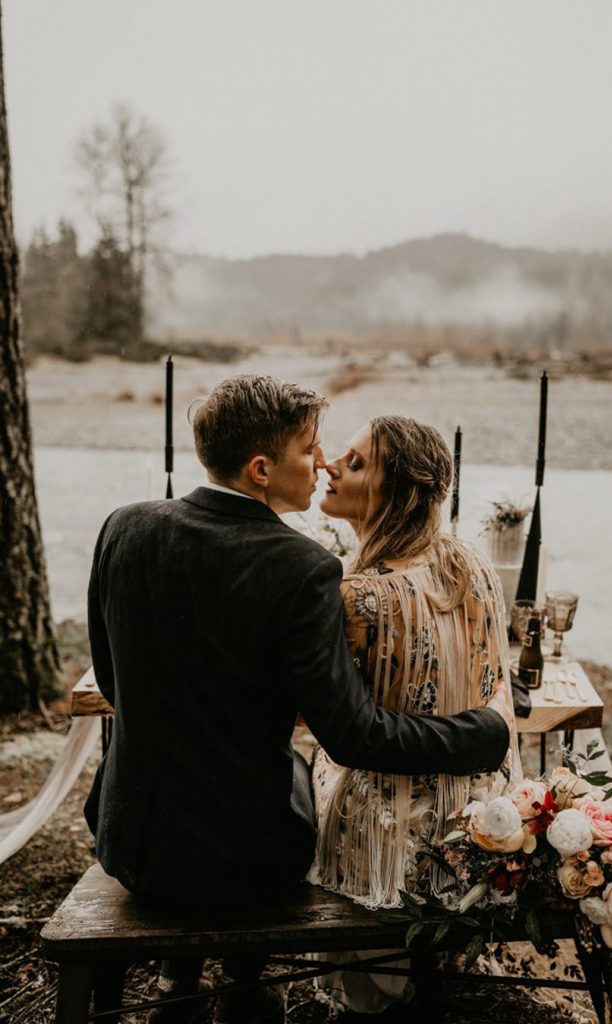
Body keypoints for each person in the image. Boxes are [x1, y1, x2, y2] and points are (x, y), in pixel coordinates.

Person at [84, 376, 511, 1023]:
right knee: (292, 778)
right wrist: (484, 731)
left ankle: (183, 986)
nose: (321, 463)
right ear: (261, 469)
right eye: (309, 449)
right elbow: (355, 735)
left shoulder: (124, 527)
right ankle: (246, 985)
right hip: (246, 862)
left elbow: (113, 684)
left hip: (130, 838)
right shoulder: (300, 566)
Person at [308, 415, 521, 1013]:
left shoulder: (357, 595)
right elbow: (494, 691)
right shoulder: (472, 565)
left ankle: (369, 997)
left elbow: (327, 725)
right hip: (474, 820)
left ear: (395, 493)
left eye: (353, 463)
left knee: (313, 771)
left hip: (386, 840)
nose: (329, 465)